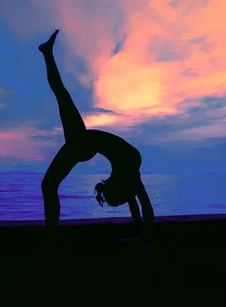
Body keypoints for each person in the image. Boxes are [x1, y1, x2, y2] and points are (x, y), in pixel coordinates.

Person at [38, 29, 155, 251]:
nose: (122, 198)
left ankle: (51, 242)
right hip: (82, 142)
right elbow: (141, 204)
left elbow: (138, 202)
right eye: (116, 197)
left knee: (48, 185)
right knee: (61, 94)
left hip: (82, 144)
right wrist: (146, 236)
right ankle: (46, 53)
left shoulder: (127, 174)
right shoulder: (128, 173)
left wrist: (144, 236)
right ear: (117, 187)